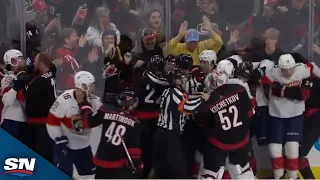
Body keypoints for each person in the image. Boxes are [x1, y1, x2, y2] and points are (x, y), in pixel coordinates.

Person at [260, 54, 320, 179]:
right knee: (275, 149)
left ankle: (295, 177)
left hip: (301, 117)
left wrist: (281, 90)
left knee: (294, 150)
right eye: (284, 69)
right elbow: (264, 81)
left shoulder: (304, 71)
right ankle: (278, 176)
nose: (287, 72)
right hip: (277, 115)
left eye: (290, 68)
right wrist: (269, 88)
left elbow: (302, 93)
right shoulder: (274, 72)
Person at [196, 60, 255, 179]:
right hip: (241, 140)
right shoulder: (240, 89)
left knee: (209, 171)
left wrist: (206, 101)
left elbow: (201, 122)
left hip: (218, 143)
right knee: (242, 169)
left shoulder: (210, 102)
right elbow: (250, 113)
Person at [153, 68, 209, 178]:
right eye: (183, 78)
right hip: (169, 137)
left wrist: (199, 96)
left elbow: (186, 99)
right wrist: (203, 100)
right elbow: (187, 107)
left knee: (163, 170)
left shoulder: (170, 91)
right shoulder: (173, 92)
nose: (185, 81)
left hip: (163, 135)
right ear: (176, 81)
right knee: (179, 171)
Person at [46, 71, 102, 178]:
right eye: (91, 85)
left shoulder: (95, 102)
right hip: (65, 146)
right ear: (83, 86)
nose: (94, 88)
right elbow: (51, 121)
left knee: (89, 175)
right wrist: (59, 139)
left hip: (84, 146)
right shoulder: (64, 99)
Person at [77, 89, 143, 179]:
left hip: (101, 161)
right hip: (118, 166)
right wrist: (139, 167)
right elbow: (133, 151)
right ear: (131, 106)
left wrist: (84, 105)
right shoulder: (134, 124)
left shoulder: (104, 111)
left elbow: (87, 122)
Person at [16, 52, 57, 163]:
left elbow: (21, 96)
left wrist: (19, 84)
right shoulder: (51, 76)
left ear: (42, 63)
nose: (34, 63)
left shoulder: (40, 81)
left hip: (39, 125)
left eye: (36, 61)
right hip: (47, 123)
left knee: (40, 157)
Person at [135, 55, 169, 178]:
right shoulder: (165, 82)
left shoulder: (143, 80)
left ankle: (140, 174)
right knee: (151, 151)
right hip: (156, 120)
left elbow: (136, 98)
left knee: (140, 151)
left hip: (141, 120)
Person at [1, 49, 30, 141]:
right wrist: (15, 87)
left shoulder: (26, 76)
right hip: (11, 119)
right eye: (14, 61)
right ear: (9, 63)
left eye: (20, 59)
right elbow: (7, 100)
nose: (18, 63)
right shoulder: (8, 78)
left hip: (24, 119)